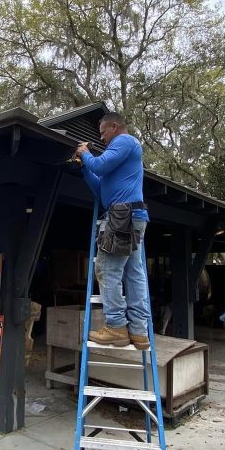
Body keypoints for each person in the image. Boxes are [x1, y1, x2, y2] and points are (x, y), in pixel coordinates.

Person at [74, 112, 150, 349]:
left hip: (121, 218)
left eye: (103, 133)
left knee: (107, 269)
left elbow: (101, 164)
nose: (103, 139)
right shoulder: (122, 158)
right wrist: (84, 167)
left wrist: (85, 153)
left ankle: (116, 326)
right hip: (131, 215)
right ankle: (138, 331)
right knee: (133, 273)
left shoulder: (124, 141)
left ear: (114, 127)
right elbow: (101, 190)